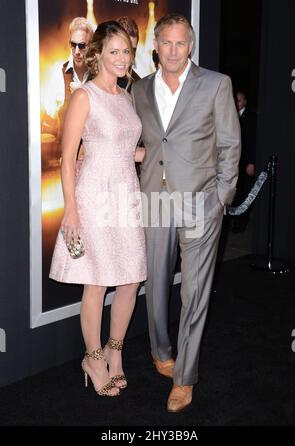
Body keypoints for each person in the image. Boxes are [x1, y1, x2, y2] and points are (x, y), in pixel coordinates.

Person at [131, 14, 241, 412]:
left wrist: (221, 197)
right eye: (167, 43)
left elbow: (230, 143)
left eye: (181, 43)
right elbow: (142, 141)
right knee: (156, 284)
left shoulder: (216, 84)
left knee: (194, 292)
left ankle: (185, 377)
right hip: (155, 200)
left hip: (200, 201)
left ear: (190, 46)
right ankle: (162, 353)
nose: (174, 51)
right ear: (155, 46)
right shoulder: (138, 89)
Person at [49, 21, 147, 397]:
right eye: (115, 52)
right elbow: (67, 156)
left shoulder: (125, 97)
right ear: (98, 55)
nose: (122, 59)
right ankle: (92, 357)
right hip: (94, 196)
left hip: (126, 195)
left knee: (131, 278)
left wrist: (160, 158)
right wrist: (71, 210)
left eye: (127, 52)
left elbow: (128, 150)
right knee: (98, 280)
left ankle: (114, 351)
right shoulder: (84, 95)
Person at [59, 17, 94, 139]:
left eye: (82, 46)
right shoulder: (60, 73)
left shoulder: (99, 75)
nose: (77, 51)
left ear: (91, 46)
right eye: (73, 45)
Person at [232, 90, 257, 232]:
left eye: (239, 101)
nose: (237, 103)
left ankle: (241, 223)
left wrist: (252, 162)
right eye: (235, 101)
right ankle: (234, 221)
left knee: (244, 193)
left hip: (246, 162)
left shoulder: (252, 118)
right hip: (233, 162)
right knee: (234, 193)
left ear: (244, 102)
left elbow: (253, 141)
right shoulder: (230, 115)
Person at [116, 16, 140, 91]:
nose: (130, 57)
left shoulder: (139, 87)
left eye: (133, 50)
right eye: (126, 50)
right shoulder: (95, 78)